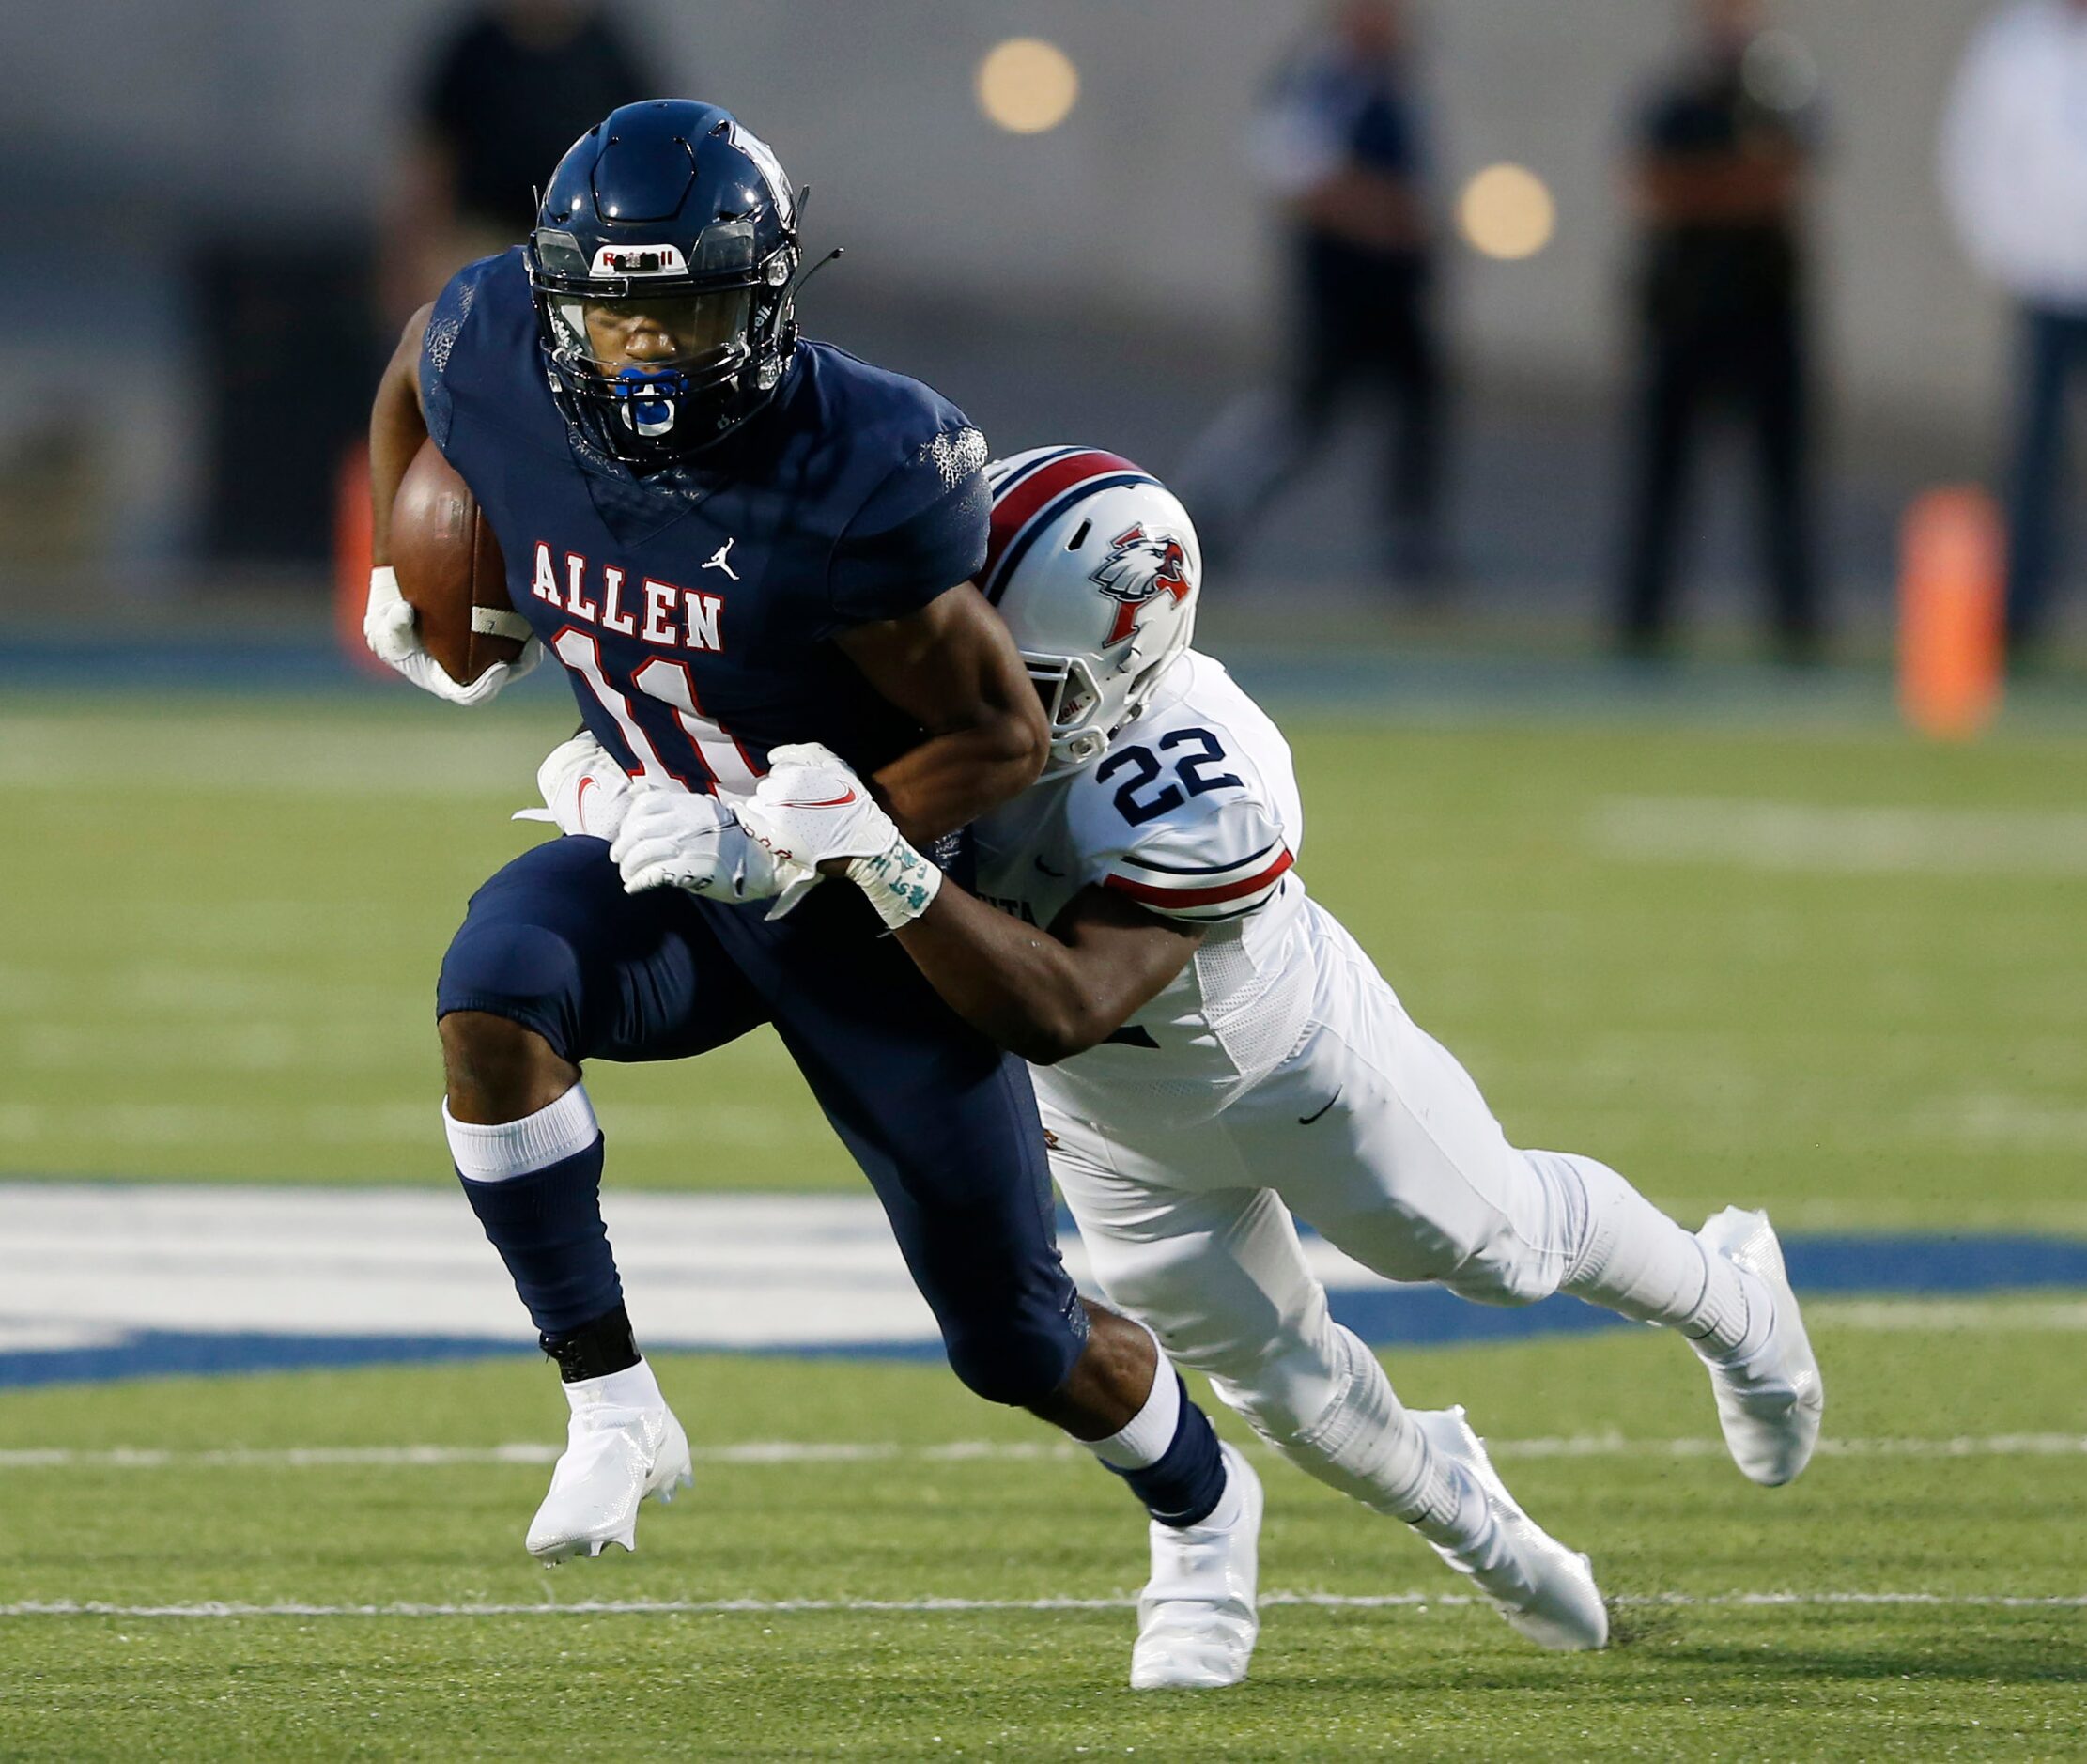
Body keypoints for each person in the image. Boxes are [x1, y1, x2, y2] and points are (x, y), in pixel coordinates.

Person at [361, 102, 1260, 1694]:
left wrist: (793, 847)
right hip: (660, 860)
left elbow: (1001, 730)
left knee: (1014, 1339)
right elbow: (422, 357)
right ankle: (612, 1402)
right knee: (491, 985)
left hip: (861, 898)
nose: (646, 350)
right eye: (616, 311)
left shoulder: (859, 464)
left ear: (768, 302)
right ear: (560, 302)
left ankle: (1200, 1501)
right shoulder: (498, 336)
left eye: (690, 313)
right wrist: (401, 564)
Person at [693, 446, 1823, 1680]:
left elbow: (1065, 1003)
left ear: (1116, 668)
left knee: (1496, 1246)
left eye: (1002, 677)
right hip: (1112, 1137)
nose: (951, 702)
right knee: (1294, 1394)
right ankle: (1478, 1528)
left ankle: (1731, 1299)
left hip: (1289, 1070)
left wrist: (878, 856)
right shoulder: (935, 664)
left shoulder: (1193, 761)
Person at [1175, 0, 1448, 592]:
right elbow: (1297, 174)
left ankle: (1411, 540)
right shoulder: (1319, 80)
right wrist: (1384, 215)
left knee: (1419, 406)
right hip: (1341, 278)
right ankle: (1211, 507)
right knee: (1305, 411)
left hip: (1394, 281)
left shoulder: (1390, 81)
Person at [1617, 0, 1824, 660]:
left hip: (1764, 310)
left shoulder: (1780, 88)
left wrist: (1710, 191)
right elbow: (1653, 184)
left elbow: (1787, 178)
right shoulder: (1676, 98)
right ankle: (1642, 621)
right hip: (1685, 313)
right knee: (1663, 476)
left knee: (1783, 478)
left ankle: (1796, 623)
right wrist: (1732, 188)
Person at [1940, 0, 2087, 662]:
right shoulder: (2013, 42)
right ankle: (2020, 620)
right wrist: (2006, 255)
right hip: (2044, 284)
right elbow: (1971, 156)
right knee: (2032, 459)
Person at [380, 2, 652, 323]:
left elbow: (642, 156)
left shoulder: (604, 53)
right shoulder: (476, 52)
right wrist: (408, 260)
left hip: (580, 246)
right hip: (484, 241)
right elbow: (433, 162)